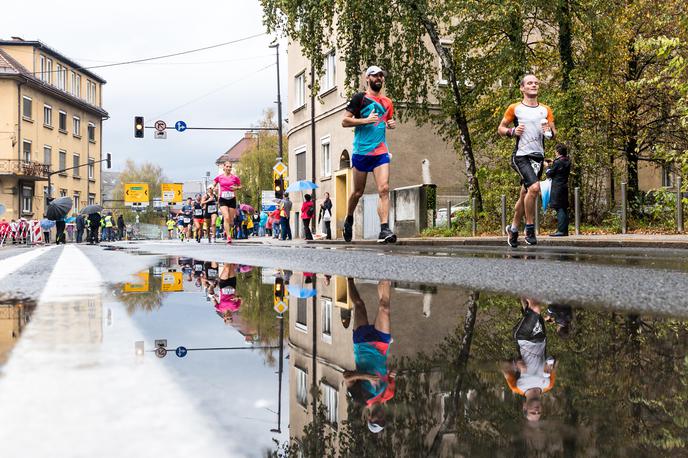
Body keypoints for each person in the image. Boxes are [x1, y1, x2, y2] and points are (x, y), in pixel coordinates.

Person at [498, 74, 557, 247]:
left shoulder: (545, 110)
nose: (533, 85)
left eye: (536, 83)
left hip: (538, 156)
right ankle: (530, 228)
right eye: (529, 83)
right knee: (535, 187)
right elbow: (501, 128)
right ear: (522, 88)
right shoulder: (515, 108)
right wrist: (512, 131)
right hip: (521, 156)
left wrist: (549, 131)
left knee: (525, 194)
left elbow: (553, 135)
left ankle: (514, 228)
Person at [341, 65, 398, 244]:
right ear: (367, 79)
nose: (379, 78)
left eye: (381, 76)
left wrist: (390, 124)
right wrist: (365, 120)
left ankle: (384, 229)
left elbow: (386, 120)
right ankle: (349, 219)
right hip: (362, 152)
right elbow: (344, 121)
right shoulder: (360, 98)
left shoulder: (387, 102)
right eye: (375, 76)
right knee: (357, 192)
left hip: (380, 151)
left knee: (384, 189)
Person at [344, 278, 396, 434]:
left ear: (369, 418)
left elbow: (346, 377)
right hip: (381, 346)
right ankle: (385, 274)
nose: (379, 417)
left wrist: (365, 376)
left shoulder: (361, 398)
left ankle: (349, 277)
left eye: (376, 421)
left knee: (359, 304)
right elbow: (391, 375)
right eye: (382, 420)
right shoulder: (388, 394)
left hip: (361, 345)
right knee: (384, 308)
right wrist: (393, 373)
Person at [501, 298, 557, 423]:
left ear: (524, 407)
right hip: (540, 338)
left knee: (535, 307)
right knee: (527, 305)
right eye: (539, 412)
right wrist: (550, 363)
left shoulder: (517, 387)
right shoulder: (548, 385)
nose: (536, 410)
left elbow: (503, 366)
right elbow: (554, 360)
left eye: (533, 412)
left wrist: (515, 364)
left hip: (523, 339)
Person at [545, 143, 571, 237]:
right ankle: (565, 230)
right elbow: (560, 166)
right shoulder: (567, 160)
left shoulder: (558, 162)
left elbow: (550, 174)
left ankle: (561, 231)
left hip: (557, 187)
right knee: (563, 208)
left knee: (559, 208)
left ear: (557, 151)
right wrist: (553, 162)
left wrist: (547, 166)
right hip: (564, 186)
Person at [213, 161, 241, 245]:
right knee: (226, 217)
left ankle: (227, 229)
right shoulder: (219, 177)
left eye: (230, 167)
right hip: (223, 199)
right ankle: (229, 237)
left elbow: (240, 186)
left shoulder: (234, 177)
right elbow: (213, 184)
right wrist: (214, 188)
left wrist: (236, 188)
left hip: (232, 199)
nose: (229, 168)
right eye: (227, 167)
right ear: (224, 167)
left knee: (231, 221)